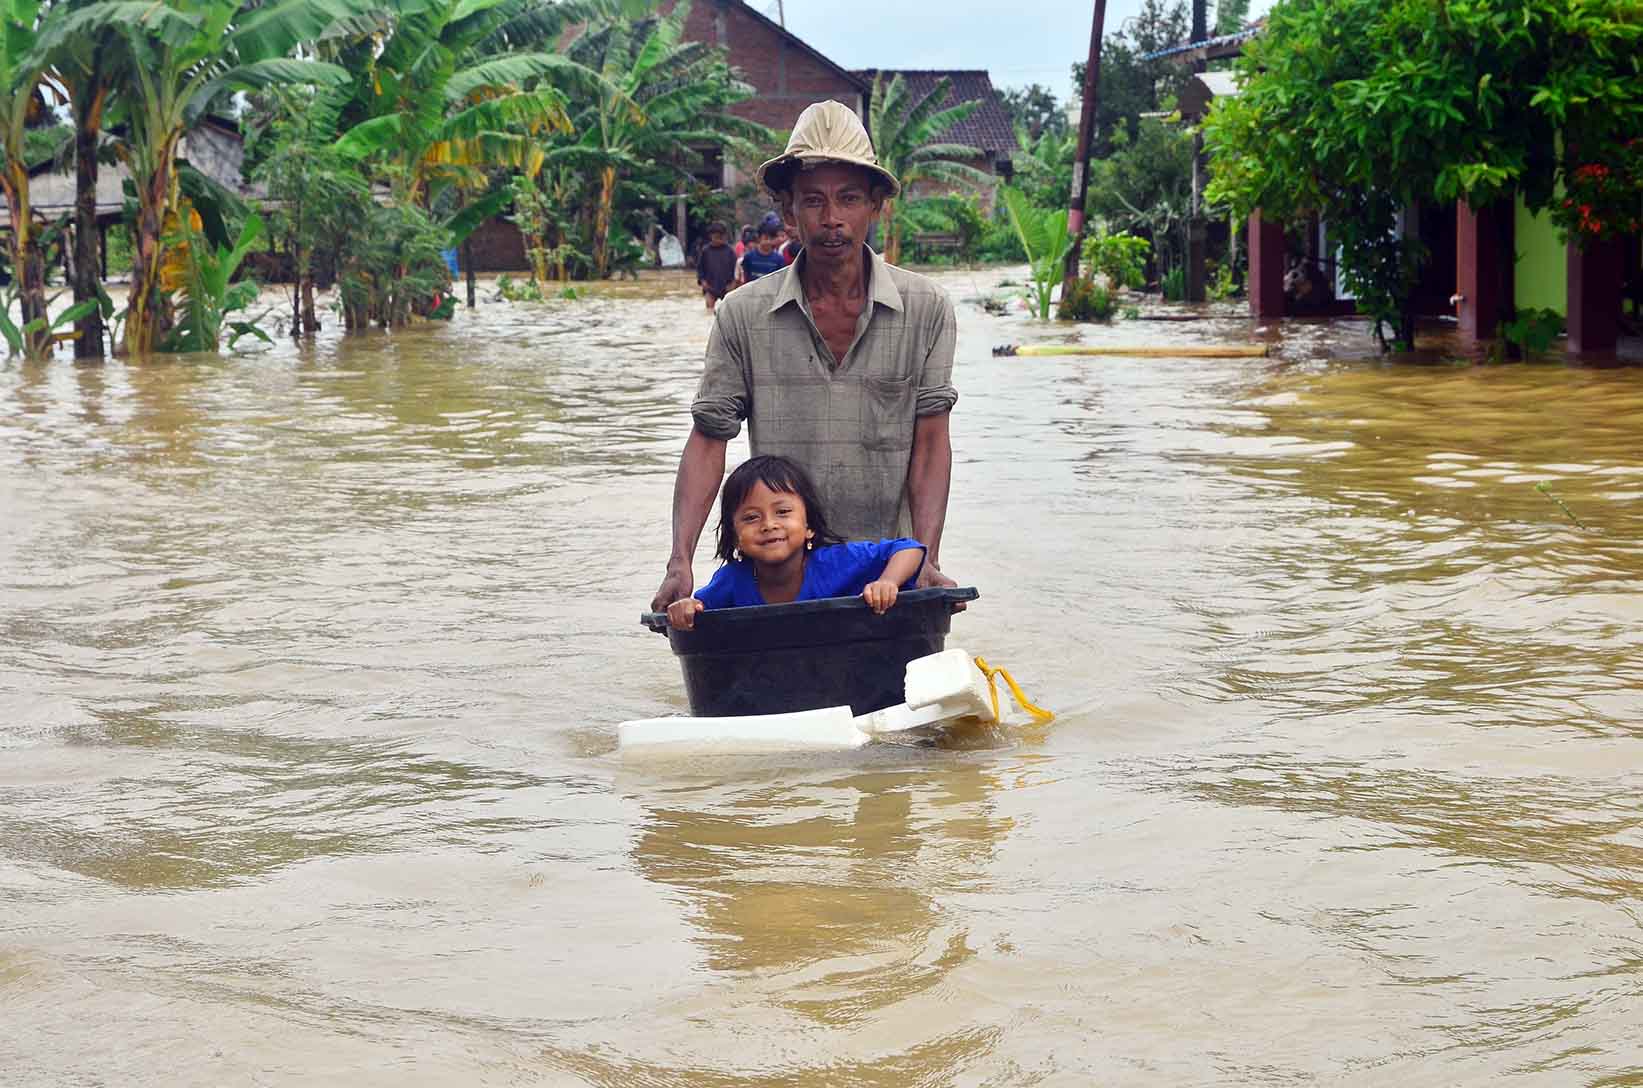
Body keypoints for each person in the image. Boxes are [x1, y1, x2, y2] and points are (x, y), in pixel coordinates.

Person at [650, 99, 958, 614]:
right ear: (790, 211)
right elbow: (709, 439)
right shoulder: (742, 314)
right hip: (781, 581)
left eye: (849, 199)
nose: (832, 219)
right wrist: (679, 559)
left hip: (885, 575)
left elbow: (930, 443)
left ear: (876, 206)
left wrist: (927, 556)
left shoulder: (925, 308)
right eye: (813, 201)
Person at [666, 455, 924, 629]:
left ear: (809, 526)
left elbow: (907, 549)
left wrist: (887, 582)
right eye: (752, 517)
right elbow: (697, 612)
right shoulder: (732, 581)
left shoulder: (837, 562)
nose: (769, 524)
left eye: (783, 512)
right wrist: (685, 608)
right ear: (736, 538)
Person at [696, 221, 737, 311]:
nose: (719, 240)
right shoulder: (705, 251)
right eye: (716, 237)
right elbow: (700, 269)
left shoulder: (730, 251)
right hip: (710, 287)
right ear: (711, 236)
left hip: (727, 287)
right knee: (709, 310)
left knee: (729, 311)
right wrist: (703, 282)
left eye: (721, 237)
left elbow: (735, 269)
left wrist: (733, 284)